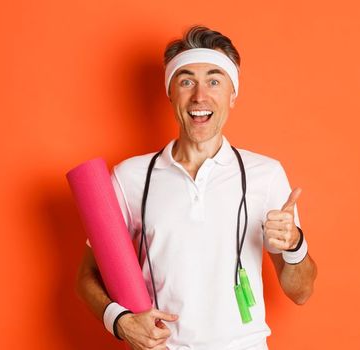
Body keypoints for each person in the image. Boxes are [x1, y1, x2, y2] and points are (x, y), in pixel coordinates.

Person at [76, 25, 318, 350]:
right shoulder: (129, 177)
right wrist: (120, 322)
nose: (200, 96)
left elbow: (300, 292)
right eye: (187, 81)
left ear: (233, 95)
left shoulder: (266, 175)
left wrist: (294, 245)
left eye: (214, 81)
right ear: (170, 92)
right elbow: (87, 275)